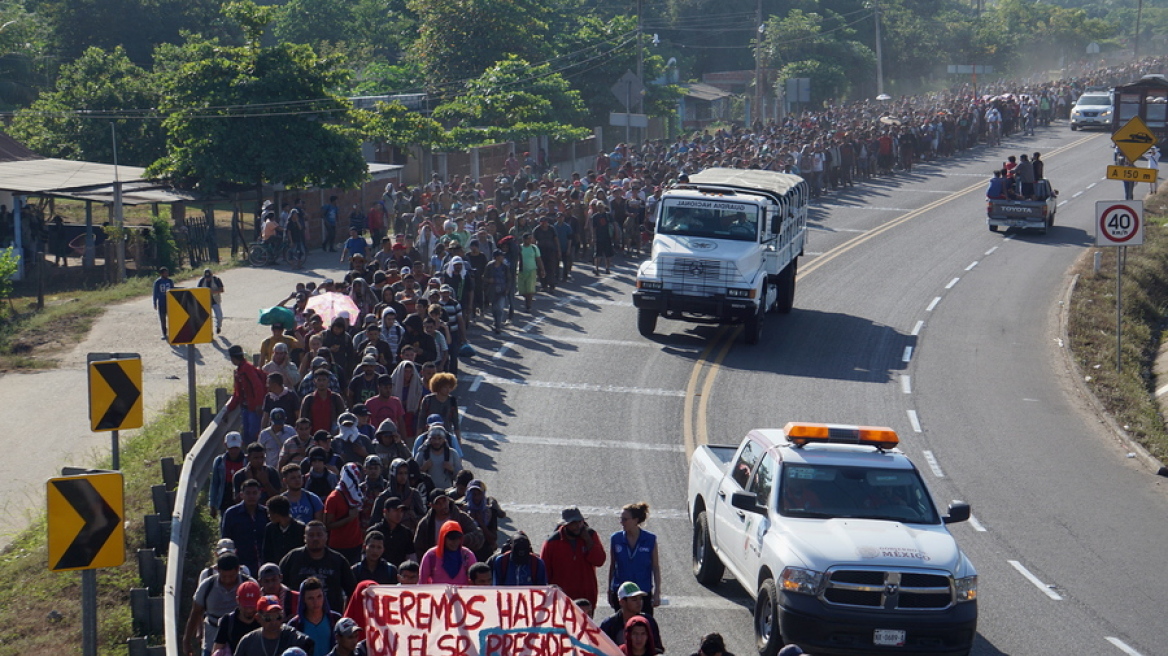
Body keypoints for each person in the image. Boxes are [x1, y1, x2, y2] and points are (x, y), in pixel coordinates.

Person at [279, 521, 358, 613]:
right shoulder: (292, 558)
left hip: (331, 616)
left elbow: (352, 592)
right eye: (311, 535)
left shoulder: (338, 560)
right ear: (304, 538)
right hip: (298, 616)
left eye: (319, 535)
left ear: (326, 537)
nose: (315, 538)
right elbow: (279, 586)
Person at [185, 553, 251, 656]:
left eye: (232, 576)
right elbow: (195, 613)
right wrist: (187, 640)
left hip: (241, 642)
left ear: (238, 569)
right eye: (224, 576)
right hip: (211, 641)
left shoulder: (248, 585)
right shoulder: (207, 586)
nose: (228, 580)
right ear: (217, 570)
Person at [541, 506, 607, 609]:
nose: (577, 526)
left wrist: (588, 541)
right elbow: (544, 573)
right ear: (565, 524)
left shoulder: (591, 535)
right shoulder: (552, 542)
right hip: (562, 600)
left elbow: (600, 560)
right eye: (573, 523)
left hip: (587, 598)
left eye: (579, 522)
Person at [608, 502, 661, 613]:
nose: (622, 522)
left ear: (636, 520)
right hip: (622, 592)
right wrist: (609, 591)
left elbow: (655, 567)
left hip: (642, 593)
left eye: (625, 519)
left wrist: (657, 592)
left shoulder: (650, 539)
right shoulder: (616, 539)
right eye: (621, 519)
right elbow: (612, 566)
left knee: (643, 626)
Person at [232, 595, 313, 656]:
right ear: (258, 618)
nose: (274, 622)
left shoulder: (293, 638)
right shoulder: (248, 642)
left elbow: (309, 644)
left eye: (278, 617)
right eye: (268, 618)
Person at [221, 479, 270, 577]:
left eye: (254, 493)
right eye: (248, 493)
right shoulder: (231, 513)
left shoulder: (266, 513)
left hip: (264, 563)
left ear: (260, 494)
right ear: (241, 495)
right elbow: (226, 539)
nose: (251, 496)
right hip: (241, 564)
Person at [598, 583, 664, 653]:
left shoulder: (649, 621)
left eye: (640, 599)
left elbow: (657, 648)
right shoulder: (609, 624)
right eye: (634, 599)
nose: (639, 603)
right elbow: (599, 649)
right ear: (622, 602)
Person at [324, 463, 366, 563]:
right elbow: (327, 525)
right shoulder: (333, 498)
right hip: (338, 547)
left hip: (356, 544)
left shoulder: (356, 494)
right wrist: (348, 519)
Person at [288, 577, 341, 655]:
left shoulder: (335, 619)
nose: (316, 602)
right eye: (310, 598)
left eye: (319, 596)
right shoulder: (294, 625)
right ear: (303, 600)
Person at [227, 345, 268, 443]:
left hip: (254, 408)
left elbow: (258, 386)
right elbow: (237, 393)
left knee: (253, 433)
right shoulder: (240, 371)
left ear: (233, 358)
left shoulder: (247, 368)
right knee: (246, 435)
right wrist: (229, 409)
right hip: (246, 408)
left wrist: (259, 404)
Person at [212, 580, 263, 656]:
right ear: (237, 600)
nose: (249, 610)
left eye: (252, 606)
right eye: (245, 606)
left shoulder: (264, 621)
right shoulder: (228, 621)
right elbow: (217, 650)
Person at [365, 496, 415, 567]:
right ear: (385, 511)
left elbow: (411, 558)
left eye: (401, 511)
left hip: (398, 574)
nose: (399, 514)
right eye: (395, 510)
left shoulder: (406, 533)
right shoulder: (374, 531)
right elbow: (364, 555)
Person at [210, 432, 247, 519]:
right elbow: (215, 483)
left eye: (236, 448)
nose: (234, 451)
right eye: (231, 448)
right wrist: (212, 504)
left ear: (241, 444)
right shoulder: (219, 461)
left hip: (242, 498)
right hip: (225, 498)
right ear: (225, 445)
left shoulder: (247, 461)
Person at [264, 495, 306, 566]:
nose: (268, 516)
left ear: (276, 514)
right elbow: (266, 553)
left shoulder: (301, 528)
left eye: (269, 513)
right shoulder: (270, 528)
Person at [517, 232, 543, 312]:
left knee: (530, 290)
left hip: (531, 271)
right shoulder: (519, 248)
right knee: (522, 291)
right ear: (523, 239)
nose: (529, 240)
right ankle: (528, 298)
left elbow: (538, 259)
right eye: (528, 239)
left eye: (530, 238)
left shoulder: (534, 248)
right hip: (521, 271)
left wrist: (542, 269)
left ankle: (528, 306)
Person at [198, 268, 226, 334]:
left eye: (209, 277)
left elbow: (222, 290)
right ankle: (209, 332)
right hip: (205, 301)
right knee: (206, 318)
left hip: (215, 300)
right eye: (206, 277)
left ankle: (218, 326)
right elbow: (198, 291)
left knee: (219, 316)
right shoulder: (201, 281)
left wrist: (213, 292)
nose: (208, 278)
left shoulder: (217, 280)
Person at [153, 267, 174, 339]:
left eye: (167, 273)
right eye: (165, 273)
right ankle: (164, 333)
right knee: (162, 319)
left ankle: (173, 332)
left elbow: (173, 291)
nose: (167, 274)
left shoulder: (170, 281)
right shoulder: (157, 282)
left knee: (171, 318)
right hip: (162, 302)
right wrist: (154, 303)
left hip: (169, 302)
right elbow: (155, 293)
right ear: (161, 274)